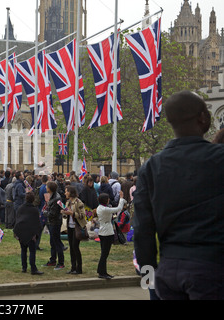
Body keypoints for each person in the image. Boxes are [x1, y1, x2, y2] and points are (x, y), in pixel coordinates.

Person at [133, 90, 224, 300]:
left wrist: (150, 279)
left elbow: (143, 229)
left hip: (168, 271)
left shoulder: (150, 167)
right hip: (211, 269)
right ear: (202, 117)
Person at [96, 191, 126, 279]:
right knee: (105, 254)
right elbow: (119, 208)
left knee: (104, 253)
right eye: (108, 198)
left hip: (102, 232)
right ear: (105, 200)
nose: (109, 200)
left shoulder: (100, 207)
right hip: (107, 233)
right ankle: (102, 272)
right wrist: (121, 198)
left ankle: (102, 271)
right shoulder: (105, 209)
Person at [13, 192, 43, 275]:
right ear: (33, 199)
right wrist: (36, 233)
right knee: (32, 251)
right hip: (31, 233)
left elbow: (17, 219)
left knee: (23, 250)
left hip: (21, 231)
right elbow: (37, 223)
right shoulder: (34, 210)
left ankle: (24, 267)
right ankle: (33, 268)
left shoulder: (20, 208)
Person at [64, 185, 87, 275]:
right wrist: (64, 213)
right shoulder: (68, 202)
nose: (65, 193)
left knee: (75, 247)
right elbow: (66, 216)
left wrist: (72, 213)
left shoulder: (78, 202)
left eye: (66, 191)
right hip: (70, 227)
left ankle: (79, 268)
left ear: (70, 192)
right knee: (71, 247)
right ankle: (73, 267)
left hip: (77, 227)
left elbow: (82, 215)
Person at [43, 181, 64, 270]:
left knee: (57, 242)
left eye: (47, 187)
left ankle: (61, 262)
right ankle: (53, 260)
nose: (46, 188)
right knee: (52, 242)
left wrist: (45, 212)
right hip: (52, 222)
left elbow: (53, 213)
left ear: (49, 188)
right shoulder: (53, 196)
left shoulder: (56, 199)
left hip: (55, 222)